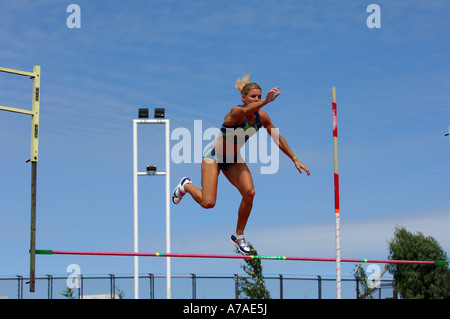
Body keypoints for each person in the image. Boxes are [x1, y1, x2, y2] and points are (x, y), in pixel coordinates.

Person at [172, 74, 310, 254]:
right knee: (208, 203)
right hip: (213, 157)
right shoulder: (236, 113)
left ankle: (239, 236)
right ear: (243, 98)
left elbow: (277, 138)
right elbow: (245, 111)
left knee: (250, 193)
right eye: (253, 96)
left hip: (233, 159)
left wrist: (294, 159)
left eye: (259, 97)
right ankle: (186, 185)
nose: (257, 99)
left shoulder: (262, 117)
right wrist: (266, 101)